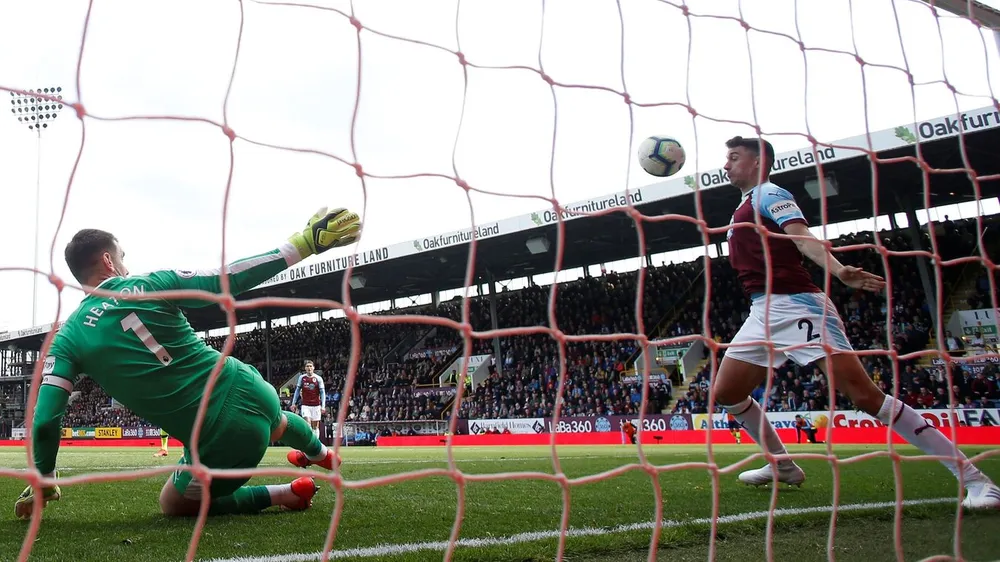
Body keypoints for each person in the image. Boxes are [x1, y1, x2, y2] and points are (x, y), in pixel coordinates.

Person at [15, 206, 361, 520]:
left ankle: (287, 494)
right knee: (277, 423)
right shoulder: (151, 283)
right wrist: (304, 242)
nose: (126, 265)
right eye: (122, 257)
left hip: (224, 437)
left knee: (173, 503)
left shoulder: (67, 337)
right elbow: (229, 277)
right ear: (108, 261)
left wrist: (43, 478)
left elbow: (45, 422)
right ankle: (321, 456)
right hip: (252, 386)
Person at [714, 136, 998, 510]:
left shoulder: (770, 193)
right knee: (727, 392)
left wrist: (837, 270)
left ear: (758, 162)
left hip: (799, 307)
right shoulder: (744, 205)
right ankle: (781, 464)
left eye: (734, 157)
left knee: (865, 397)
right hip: (761, 309)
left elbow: (801, 237)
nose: (726, 164)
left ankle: (976, 481)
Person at [290, 360, 326, 440]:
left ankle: (315, 442)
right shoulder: (302, 378)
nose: (309, 368)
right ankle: (309, 443)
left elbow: (322, 393)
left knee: (315, 427)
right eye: (307, 366)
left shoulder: (318, 378)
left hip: (316, 405)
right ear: (305, 368)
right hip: (305, 405)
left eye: (310, 366)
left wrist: (323, 406)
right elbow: (297, 391)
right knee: (307, 423)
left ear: (313, 368)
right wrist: (293, 403)